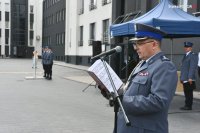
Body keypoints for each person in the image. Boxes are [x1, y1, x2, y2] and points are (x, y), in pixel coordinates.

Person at [98, 23, 178, 133]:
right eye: (135, 44)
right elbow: (128, 91)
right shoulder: (142, 64)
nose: (135, 48)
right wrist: (111, 91)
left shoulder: (164, 67)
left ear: (154, 44)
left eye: (140, 43)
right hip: (127, 127)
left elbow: (158, 101)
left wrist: (122, 100)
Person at [180, 42, 198, 110]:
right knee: (186, 92)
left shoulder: (193, 55)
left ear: (190, 48)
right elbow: (183, 68)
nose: (186, 48)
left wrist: (190, 77)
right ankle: (186, 105)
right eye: (185, 47)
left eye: (187, 47)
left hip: (189, 78)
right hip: (185, 78)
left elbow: (192, 67)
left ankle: (189, 106)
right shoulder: (185, 55)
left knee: (189, 93)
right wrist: (181, 78)